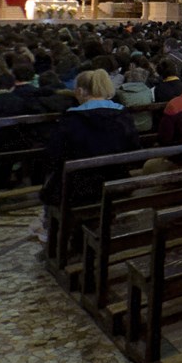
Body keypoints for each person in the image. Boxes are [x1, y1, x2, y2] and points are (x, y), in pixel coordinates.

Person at [36, 69, 140, 241]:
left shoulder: (71, 120)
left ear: (80, 91)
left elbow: (53, 157)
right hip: (115, 181)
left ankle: (56, 234)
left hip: (77, 188)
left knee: (51, 183)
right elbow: (134, 148)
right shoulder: (122, 115)